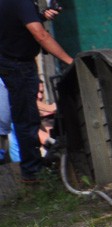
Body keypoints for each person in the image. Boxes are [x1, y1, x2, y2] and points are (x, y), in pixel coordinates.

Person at [0, 0, 72, 182]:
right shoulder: (22, 2)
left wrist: (40, 16)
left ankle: (32, 168)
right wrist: (70, 61)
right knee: (26, 119)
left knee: (24, 117)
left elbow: (13, 24)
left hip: (9, 63)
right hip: (19, 65)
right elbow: (41, 35)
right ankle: (32, 172)